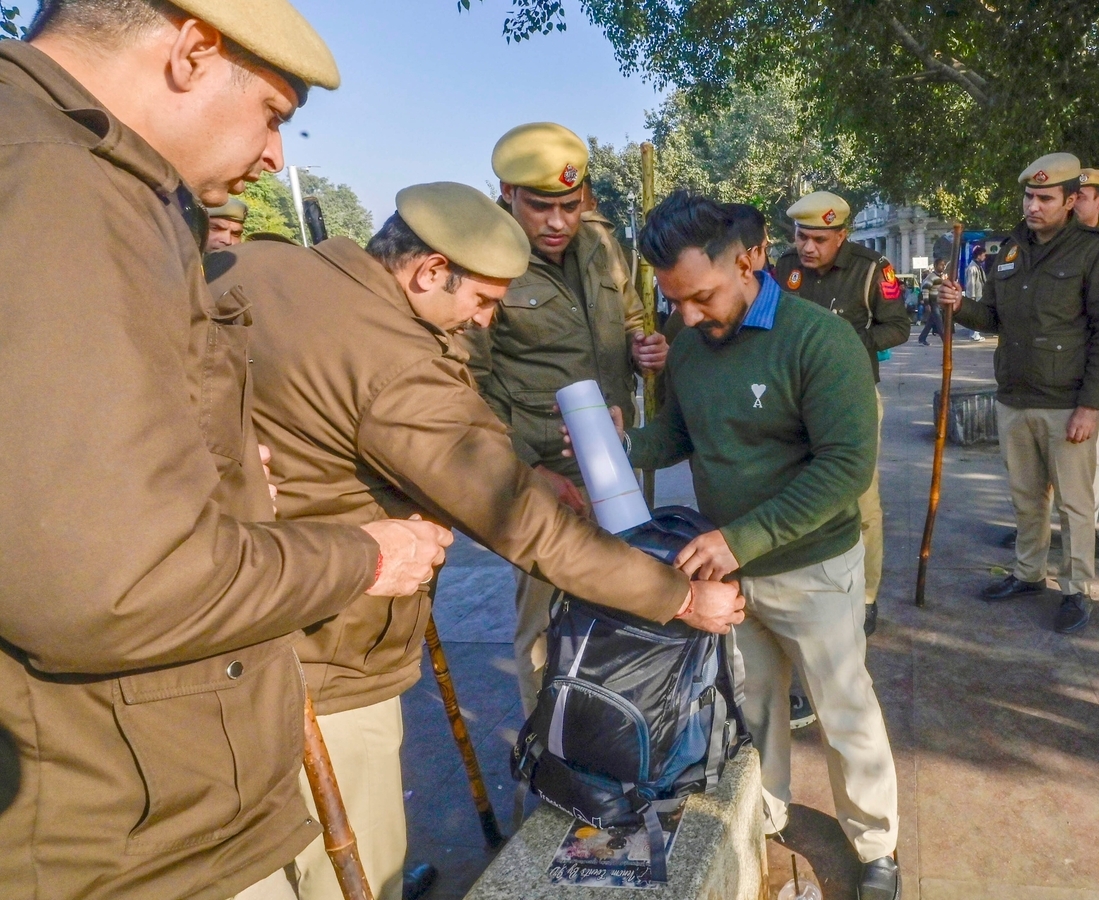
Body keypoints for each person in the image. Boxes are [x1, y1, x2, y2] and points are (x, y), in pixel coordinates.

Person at [0, 3, 452, 898]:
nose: (276, 155)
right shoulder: (61, 185)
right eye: (275, 115)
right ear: (192, 52)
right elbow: (120, 583)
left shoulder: (86, 173)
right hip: (126, 826)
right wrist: (363, 555)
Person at [211, 182, 747, 900]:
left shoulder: (263, 270)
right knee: (353, 855)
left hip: (226, 623)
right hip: (323, 648)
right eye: (483, 301)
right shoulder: (393, 361)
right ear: (431, 272)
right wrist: (679, 597)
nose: (484, 321)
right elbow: (524, 526)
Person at [626, 192, 902, 900]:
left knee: (844, 710)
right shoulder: (689, 343)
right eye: (674, 300)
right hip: (733, 576)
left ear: (749, 260)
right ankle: (767, 809)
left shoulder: (818, 341)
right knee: (754, 705)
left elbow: (844, 469)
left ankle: (876, 845)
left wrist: (740, 537)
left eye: (701, 296)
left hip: (812, 570)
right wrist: (613, 444)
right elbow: (679, 436)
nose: (687, 316)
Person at [464, 121, 667, 716]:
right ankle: (549, 748)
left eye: (570, 206)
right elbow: (467, 381)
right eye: (540, 206)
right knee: (546, 624)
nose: (557, 222)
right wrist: (518, 467)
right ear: (507, 192)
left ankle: (608, 728)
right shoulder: (483, 258)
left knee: (620, 603)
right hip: (542, 472)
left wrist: (643, 346)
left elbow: (631, 314)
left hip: (616, 456)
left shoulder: (601, 240)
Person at [939, 152, 1099, 634]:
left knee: (1074, 503)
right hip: (1015, 396)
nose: (1034, 206)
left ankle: (1077, 589)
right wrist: (961, 306)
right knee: (1026, 497)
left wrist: (1090, 405)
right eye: (1029, 196)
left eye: (1046, 198)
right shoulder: (1010, 250)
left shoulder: (1095, 251)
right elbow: (995, 319)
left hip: (1067, 402)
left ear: (1069, 202)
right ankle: (1027, 573)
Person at [773, 191, 910, 639]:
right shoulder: (785, 267)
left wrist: (846, 346)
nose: (808, 247)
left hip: (849, 397)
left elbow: (898, 326)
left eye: (819, 239)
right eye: (801, 236)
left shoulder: (872, 269)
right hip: (791, 399)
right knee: (798, 490)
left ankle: (866, 595)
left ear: (842, 236)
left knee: (861, 499)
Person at [917, 257, 950, 344]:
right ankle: (946, 341)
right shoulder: (930, 277)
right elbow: (925, 290)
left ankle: (922, 338)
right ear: (935, 266)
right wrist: (927, 304)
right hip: (933, 302)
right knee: (939, 322)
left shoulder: (941, 276)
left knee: (930, 323)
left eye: (944, 265)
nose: (943, 267)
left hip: (939, 302)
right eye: (941, 265)